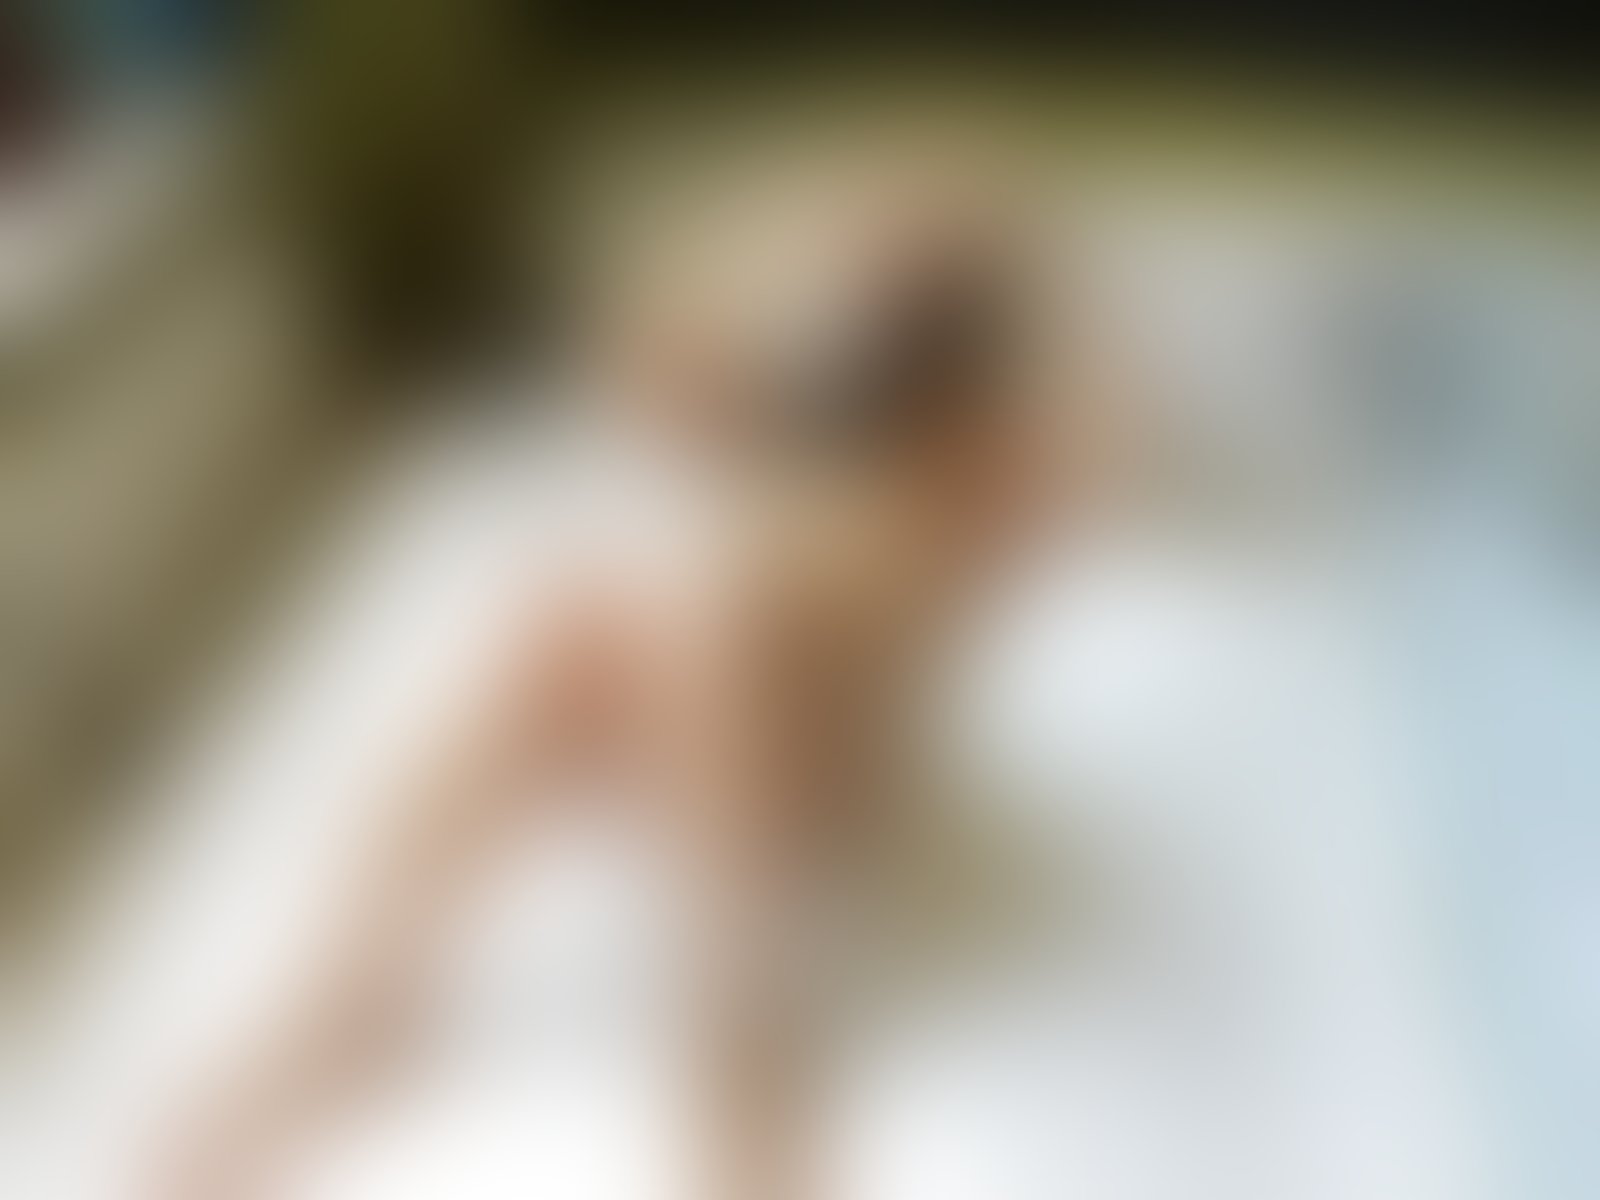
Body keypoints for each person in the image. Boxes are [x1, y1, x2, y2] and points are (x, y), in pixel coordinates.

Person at [162, 147, 1071, 1200]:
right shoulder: (808, 388)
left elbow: (907, 573)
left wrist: (953, 286)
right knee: (563, 628)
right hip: (710, 737)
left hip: (831, 782)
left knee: (715, 612)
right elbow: (644, 358)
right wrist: (781, 275)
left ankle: (742, 1049)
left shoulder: (982, 457)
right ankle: (358, 995)